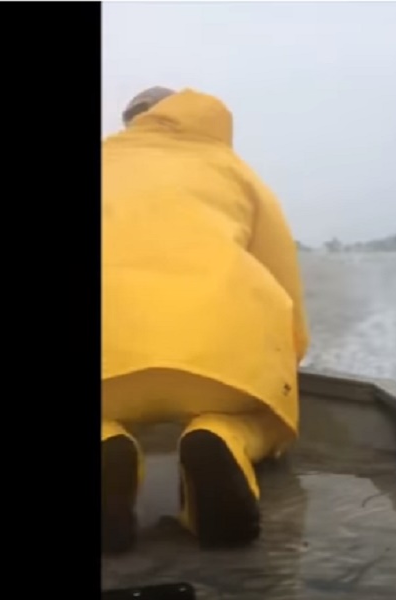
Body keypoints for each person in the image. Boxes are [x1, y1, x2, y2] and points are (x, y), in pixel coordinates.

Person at [101, 87, 310, 554]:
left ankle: (106, 443)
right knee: (264, 417)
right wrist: (284, 365)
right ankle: (222, 437)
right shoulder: (235, 171)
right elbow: (283, 282)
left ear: (132, 121)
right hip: (220, 362)